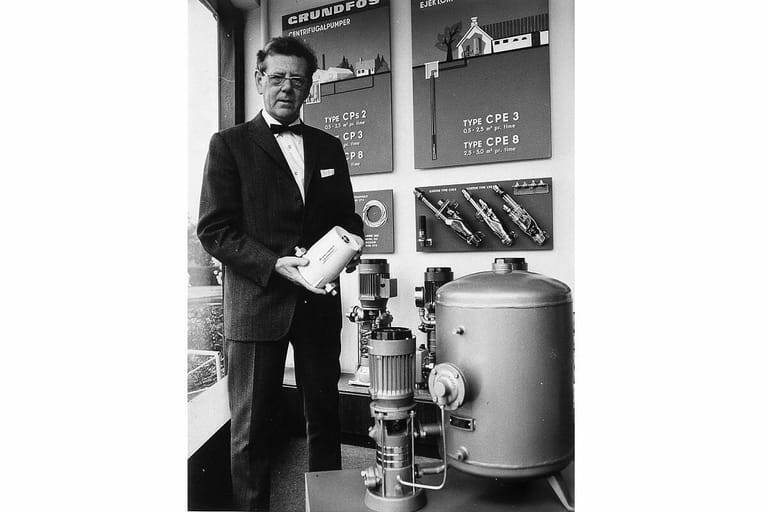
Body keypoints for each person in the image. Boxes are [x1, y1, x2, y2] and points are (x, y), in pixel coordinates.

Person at [197, 36, 364, 511]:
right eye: (277, 78)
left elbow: (347, 217)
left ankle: (328, 508)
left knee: (325, 421)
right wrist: (272, 263)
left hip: (317, 306)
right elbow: (214, 229)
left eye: (297, 79)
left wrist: (350, 244)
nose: (287, 87)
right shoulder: (228, 145)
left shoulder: (329, 147)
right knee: (250, 433)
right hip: (257, 307)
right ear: (258, 80)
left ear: (309, 87)